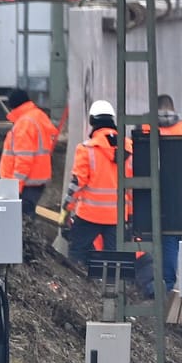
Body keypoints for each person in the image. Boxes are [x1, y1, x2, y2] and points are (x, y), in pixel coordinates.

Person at [134, 92, 182, 289]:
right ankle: (168, 284)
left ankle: (150, 284)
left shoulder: (143, 127)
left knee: (146, 236)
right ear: (172, 108)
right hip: (177, 197)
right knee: (171, 237)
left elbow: (134, 161)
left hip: (146, 194)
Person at [62, 100, 132, 272]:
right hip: (117, 216)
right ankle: (114, 294)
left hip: (89, 215)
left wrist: (66, 210)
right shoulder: (129, 147)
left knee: (76, 255)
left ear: (92, 121)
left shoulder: (86, 149)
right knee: (115, 262)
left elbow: (77, 184)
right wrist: (130, 214)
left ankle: (80, 292)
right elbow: (132, 186)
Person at [0, 88, 60, 216]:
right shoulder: (37, 116)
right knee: (26, 218)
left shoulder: (24, 124)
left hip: (25, 184)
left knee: (21, 220)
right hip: (35, 181)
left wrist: (15, 188)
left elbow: (24, 160)